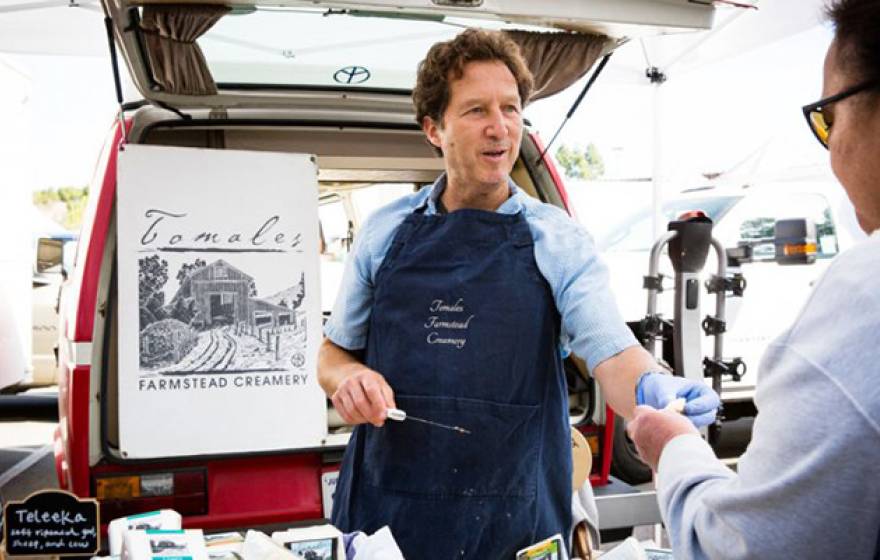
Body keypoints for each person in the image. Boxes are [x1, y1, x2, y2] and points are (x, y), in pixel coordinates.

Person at [318, 29, 719, 559]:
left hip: (516, 515)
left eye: (510, 108)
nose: (499, 126)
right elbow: (332, 351)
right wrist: (349, 376)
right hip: (391, 511)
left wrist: (651, 392)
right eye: (477, 110)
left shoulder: (557, 238)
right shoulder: (385, 232)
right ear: (434, 129)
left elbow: (610, 350)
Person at [627, 1, 880, 558]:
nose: (831, 146)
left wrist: (672, 447)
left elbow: (746, 547)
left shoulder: (865, 302)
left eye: (827, 120)